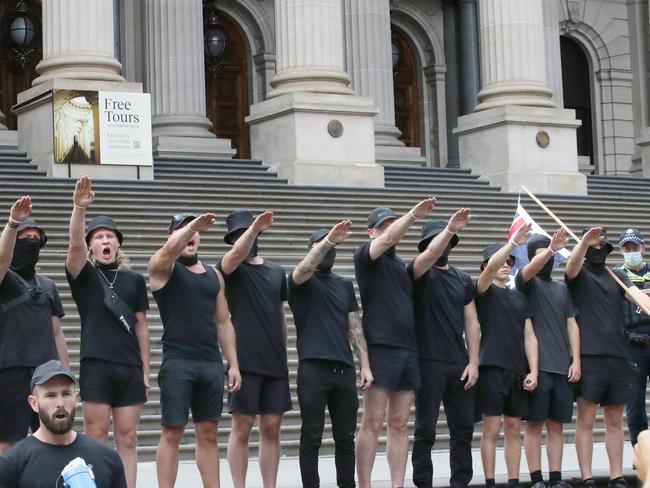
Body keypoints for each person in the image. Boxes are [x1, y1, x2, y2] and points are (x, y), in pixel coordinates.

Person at [65, 176, 150, 488]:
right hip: (96, 364)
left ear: (118, 243)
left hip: (129, 367)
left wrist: (145, 369)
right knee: (97, 436)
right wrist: (79, 207)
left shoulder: (134, 281)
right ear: (91, 245)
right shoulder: (84, 276)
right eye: (98, 237)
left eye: (110, 236)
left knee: (127, 438)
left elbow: (141, 327)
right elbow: (73, 244)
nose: (105, 241)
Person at [149, 212, 241, 488]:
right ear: (172, 237)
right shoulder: (164, 267)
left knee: (209, 433)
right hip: (178, 362)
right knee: (172, 432)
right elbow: (166, 252)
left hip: (210, 363)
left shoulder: (214, 275)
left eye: (193, 230)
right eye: (181, 230)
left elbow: (224, 321)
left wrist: (233, 363)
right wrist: (188, 228)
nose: (190, 235)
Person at [354, 198, 436, 488]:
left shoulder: (401, 266)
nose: (390, 230)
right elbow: (389, 238)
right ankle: (364, 484)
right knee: (373, 421)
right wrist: (413, 214)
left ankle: (396, 484)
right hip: (380, 347)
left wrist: (449, 230)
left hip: (407, 349)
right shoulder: (366, 255)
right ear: (371, 232)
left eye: (392, 223)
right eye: (383, 226)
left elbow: (426, 259)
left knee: (400, 423)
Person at [289, 221, 373, 488]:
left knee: (345, 437)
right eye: (323, 246)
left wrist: (366, 366)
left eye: (333, 246)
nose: (328, 251)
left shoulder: (344, 285)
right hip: (314, 368)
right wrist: (327, 241)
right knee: (311, 435)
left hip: (343, 369)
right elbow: (303, 268)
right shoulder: (300, 281)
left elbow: (354, 326)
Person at [565, 227, 646, 488]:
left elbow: (638, 297)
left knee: (615, 419)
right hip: (590, 355)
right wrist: (584, 243)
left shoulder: (618, 274)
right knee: (586, 419)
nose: (598, 251)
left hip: (619, 355)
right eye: (593, 247)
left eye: (602, 247)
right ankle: (587, 477)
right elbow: (571, 266)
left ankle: (616, 476)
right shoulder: (578, 274)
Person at [218, 209, 291, 488]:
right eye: (238, 235)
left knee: (272, 429)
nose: (244, 239)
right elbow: (234, 255)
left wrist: (283, 355)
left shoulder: (275, 272)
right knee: (242, 429)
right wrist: (251, 231)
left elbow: (281, 315)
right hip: (244, 361)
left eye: (247, 232)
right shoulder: (229, 268)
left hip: (274, 362)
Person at [409, 210, 479, 488]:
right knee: (425, 428)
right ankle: (422, 482)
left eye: (445, 240)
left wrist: (473, 362)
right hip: (427, 362)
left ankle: (460, 482)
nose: (440, 246)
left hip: (458, 363)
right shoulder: (419, 271)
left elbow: (472, 322)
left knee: (462, 429)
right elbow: (425, 259)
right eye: (435, 241)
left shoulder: (462, 279)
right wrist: (448, 229)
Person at [0, 196, 68, 453]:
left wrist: (66, 374)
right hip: (10, 372)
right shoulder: (5, 279)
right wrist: (12, 224)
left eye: (36, 238)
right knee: (8, 441)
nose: (32, 241)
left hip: (47, 373)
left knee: (54, 438)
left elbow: (57, 332)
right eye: (25, 236)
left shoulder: (48, 286)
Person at [475, 223, 539, 488]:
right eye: (500, 260)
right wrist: (512, 244)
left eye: (510, 262)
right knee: (491, 430)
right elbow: (490, 270)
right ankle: (490, 482)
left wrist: (533, 370)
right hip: (491, 367)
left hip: (516, 371)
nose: (505, 264)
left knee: (514, 428)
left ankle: (514, 481)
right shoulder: (483, 290)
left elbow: (529, 336)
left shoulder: (520, 298)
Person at [516, 230, 581, 488]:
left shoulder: (562, 289)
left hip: (562, 368)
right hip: (538, 368)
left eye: (549, 252)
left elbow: (572, 325)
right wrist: (551, 250)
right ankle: (536, 479)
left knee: (556, 426)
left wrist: (575, 360)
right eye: (539, 253)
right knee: (534, 425)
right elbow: (530, 270)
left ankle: (555, 478)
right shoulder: (526, 282)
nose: (545, 257)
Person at [0, 359, 127, 487]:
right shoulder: (11, 465)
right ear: (34, 403)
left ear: (76, 398)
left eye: (66, 394)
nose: (60, 403)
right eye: (50, 395)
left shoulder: (108, 459)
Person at [616, 228, 650, 447]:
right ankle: (642, 452)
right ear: (620, 251)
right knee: (635, 402)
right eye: (627, 248)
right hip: (631, 346)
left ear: (643, 248)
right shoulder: (616, 276)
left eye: (635, 248)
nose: (631, 252)